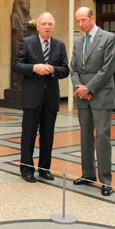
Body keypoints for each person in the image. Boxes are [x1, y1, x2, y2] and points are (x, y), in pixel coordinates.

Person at [12, 12, 69, 183]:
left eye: (50, 24)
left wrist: (53, 70)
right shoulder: (26, 43)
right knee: (28, 135)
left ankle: (44, 169)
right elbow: (16, 65)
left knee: (48, 135)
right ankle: (26, 169)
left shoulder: (59, 45)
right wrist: (33, 68)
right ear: (37, 26)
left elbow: (65, 70)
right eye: (43, 24)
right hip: (32, 96)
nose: (46, 27)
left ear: (54, 26)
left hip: (51, 97)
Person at [71, 7, 115, 196]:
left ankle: (106, 180)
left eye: (84, 20)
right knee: (85, 136)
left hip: (101, 94)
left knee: (102, 138)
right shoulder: (78, 42)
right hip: (83, 97)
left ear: (93, 18)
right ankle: (87, 174)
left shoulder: (108, 38)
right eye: (78, 21)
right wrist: (79, 89)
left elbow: (108, 68)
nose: (81, 24)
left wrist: (88, 88)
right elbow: (73, 69)